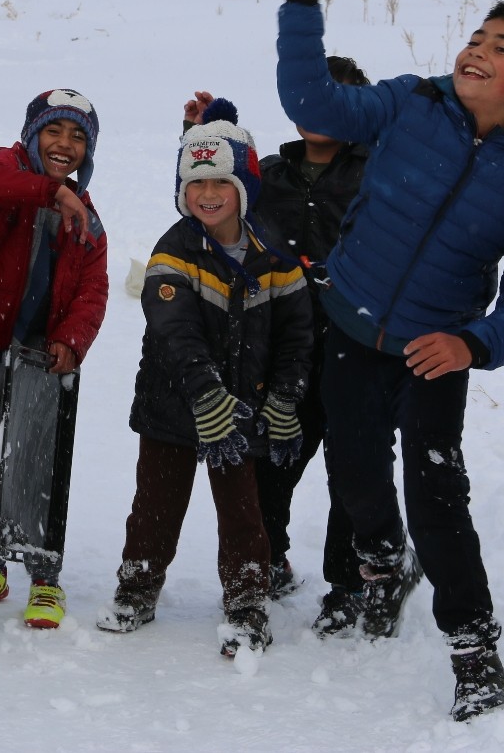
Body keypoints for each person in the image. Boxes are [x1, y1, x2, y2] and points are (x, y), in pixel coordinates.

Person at [274, 0, 504, 721]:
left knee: (437, 500)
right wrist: (303, 0)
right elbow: (313, 103)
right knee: (356, 474)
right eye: (476, 37)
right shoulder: (409, 102)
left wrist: (474, 343)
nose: (477, 51)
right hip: (349, 325)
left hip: (435, 353)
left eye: (501, 48)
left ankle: (477, 661)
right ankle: (378, 567)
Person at [97, 108, 312, 656]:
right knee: (155, 504)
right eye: (196, 184)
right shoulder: (173, 254)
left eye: (222, 181)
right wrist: (205, 394)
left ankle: (246, 602)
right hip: (175, 406)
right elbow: (176, 336)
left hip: (242, 411)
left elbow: (296, 334)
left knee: (244, 512)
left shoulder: (274, 255)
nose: (209, 194)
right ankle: (138, 586)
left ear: (244, 187)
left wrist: (285, 396)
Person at [180, 72, 371, 636]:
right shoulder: (276, 176)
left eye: (334, 102)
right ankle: (271, 557)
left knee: (351, 469)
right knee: (271, 457)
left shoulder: (375, 172)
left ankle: (348, 581)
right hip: (280, 345)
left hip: (353, 346)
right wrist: (206, 131)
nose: (317, 110)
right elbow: (212, 189)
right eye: (309, 98)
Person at [0, 89, 109, 627]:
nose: (65, 144)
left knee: (37, 455)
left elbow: (93, 286)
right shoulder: (4, 168)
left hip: (42, 355)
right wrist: (51, 192)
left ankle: (44, 576)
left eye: (78, 136)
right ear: (32, 134)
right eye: (54, 131)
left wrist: (71, 337)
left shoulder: (89, 217)